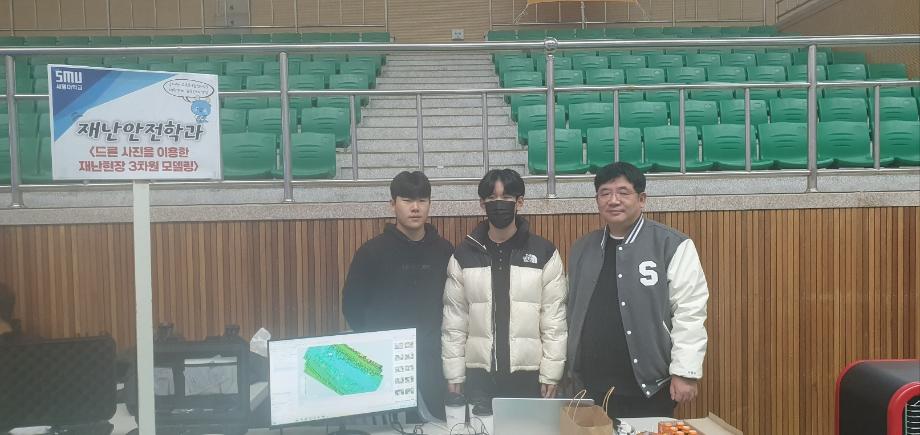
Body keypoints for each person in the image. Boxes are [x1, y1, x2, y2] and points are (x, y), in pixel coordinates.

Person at [566, 162, 709, 418]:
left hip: (649, 388)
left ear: (642, 199)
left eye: (623, 192)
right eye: (605, 193)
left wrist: (685, 371)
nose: (613, 200)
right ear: (597, 201)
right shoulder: (582, 249)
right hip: (589, 387)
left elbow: (690, 311)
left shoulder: (671, 244)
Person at [441, 168, 567, 412]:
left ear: (520, 202)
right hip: (479, 377)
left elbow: (554, 320)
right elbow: (454, 321)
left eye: (507, 198)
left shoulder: (544, 253)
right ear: (482, 203)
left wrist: (551, 373)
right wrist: (454, 373)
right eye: (492, 198)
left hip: (529, 376)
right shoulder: (463, 255)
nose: (499, 204)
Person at [342, 171, 454, 420]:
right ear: (392, 204)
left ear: (430, 204)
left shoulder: (444, 251)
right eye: (407, 200)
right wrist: (378, 345)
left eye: (422, 200)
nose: (415, 208)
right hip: (385, 365)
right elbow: (351, 306)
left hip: (433, 364)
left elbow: (454, 306)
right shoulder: (371, 252)